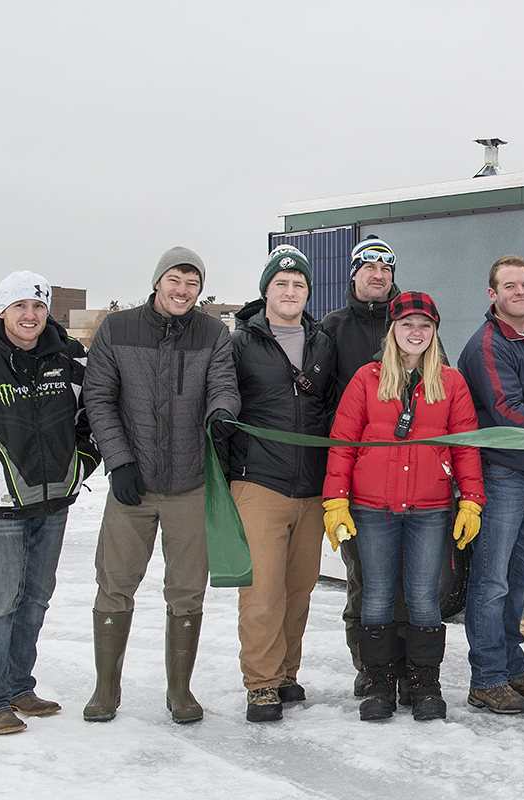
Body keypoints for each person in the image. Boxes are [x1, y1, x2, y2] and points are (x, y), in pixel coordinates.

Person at [0, 271, 101, 736]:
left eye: (38, 307)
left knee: (35, 598)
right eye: (20, 307)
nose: (30, 316)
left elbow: (94, 415)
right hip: (0, 506)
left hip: (53, 501)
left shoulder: (71, 358)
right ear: (2, 311)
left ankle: (17, 685)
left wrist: (80, 465)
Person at [82, 246, 240, 724]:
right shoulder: (117, 329)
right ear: (157, 282)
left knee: (188, 589)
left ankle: (180, 691)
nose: (182, 290)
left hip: (191, 484)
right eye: (175, 279)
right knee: (115, 584)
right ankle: (105, 689)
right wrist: (120, 460)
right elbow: (99, 396)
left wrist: (222, 412)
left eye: (192, 283)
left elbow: (223, 383)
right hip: (134, 485)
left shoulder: (213, 332)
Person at [322, 291, 484, 722]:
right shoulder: (365, 379)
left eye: (425, 326)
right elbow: (342, 444)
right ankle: (379, 681)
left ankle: (423, 682)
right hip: (373, 507)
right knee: (375, 594)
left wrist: (471, 500)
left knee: (423, 596)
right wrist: (335, 499)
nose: (417, 332)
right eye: (408, 325)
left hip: (430, 508)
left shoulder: (450, 383)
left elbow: (466, 448)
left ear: (434, 333)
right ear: (393, 330)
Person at [322, 235, 444, 697]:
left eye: (386, 269)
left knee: (414, 586)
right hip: (360, 479)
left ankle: (411, 669)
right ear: (354, 274)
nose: (378, 275)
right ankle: (371, 666)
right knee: (366, 580)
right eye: (369, 267)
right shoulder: (332, 328)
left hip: (419, 482)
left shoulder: (419, 326)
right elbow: (324, 407)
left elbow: (442, 398)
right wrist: (335, 483)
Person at [225, 245, 336, 722]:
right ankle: (262, 684)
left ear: (307, 292)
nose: (290, 292)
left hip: (311, 486)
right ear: (266, 290)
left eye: (298, 285)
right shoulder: (239, 343)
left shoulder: (323, 343)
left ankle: (287, 672)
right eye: (281, 284)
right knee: (262, 589)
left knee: (299, 587)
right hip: (260, 482)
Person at [457, 255, 524, 714]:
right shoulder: (488, 343)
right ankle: (486, 678)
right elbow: (507, 410)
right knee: (491, 581)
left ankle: (512, 668)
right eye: (509, 286)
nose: (519, 291)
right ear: (493, 294)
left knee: (519, 579)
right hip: (500, 475)